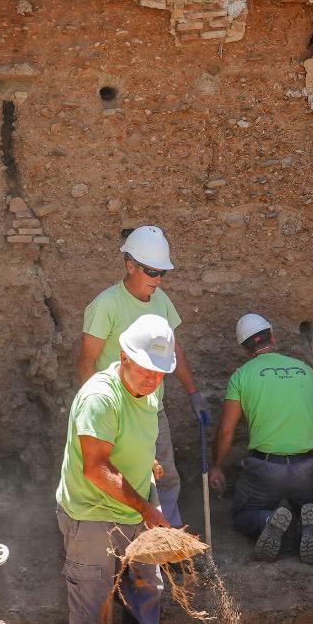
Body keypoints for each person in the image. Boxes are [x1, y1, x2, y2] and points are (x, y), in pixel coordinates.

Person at [75, 225, 210, 528]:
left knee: (165, 475)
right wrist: (95, 413)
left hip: (151, 410)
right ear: (130, 265)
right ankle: (125, 542)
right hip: (118, 412)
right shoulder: (106, 305)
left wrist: (193, 393)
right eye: (151, 272)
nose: (158, 280)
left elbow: (176, 350)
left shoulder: (160, 300)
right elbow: (86, 362)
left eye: (162, 272)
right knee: (123, 476)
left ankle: (167, 541)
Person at [57, 314, 177, 624]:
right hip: (93, 514)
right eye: (145, 368)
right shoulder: (100, 399)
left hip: (135, 507)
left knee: (147, 587)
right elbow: (96, 468)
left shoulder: (149, 386)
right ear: (123, 357)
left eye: (160, 371)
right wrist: (148, 510)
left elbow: (132, 432)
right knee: (92, 602)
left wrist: (145, 459)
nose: (153, 379)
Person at [208, 313, 313, 564]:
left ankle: (268, 521)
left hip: (266, 469)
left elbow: (226, 430)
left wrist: (216, 466)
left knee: (243, 514)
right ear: (272, 337)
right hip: (308, 467)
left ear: (245, 348)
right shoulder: (306, 371)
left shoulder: (242, 376)